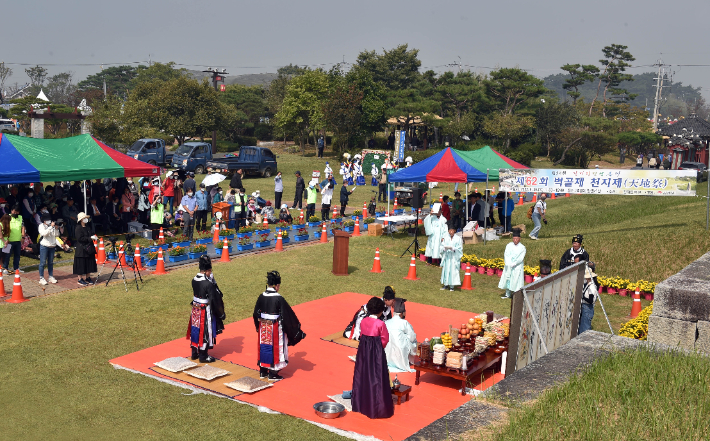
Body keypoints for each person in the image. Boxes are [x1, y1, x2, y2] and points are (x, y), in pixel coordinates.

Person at [253, 270, 306, 381]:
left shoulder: (261, 296)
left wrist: (258, 326)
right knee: (277, 349)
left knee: (264, 347)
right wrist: (296, 331)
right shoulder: (278, 298)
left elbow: (255, 313)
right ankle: (273, 373)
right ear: (277, 285)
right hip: (275, 328)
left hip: (264, 327)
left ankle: (263, 371)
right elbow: (287, 315)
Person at [351, 296, 395, 419]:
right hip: (376, 354)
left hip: (363, 352)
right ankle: (376, 408)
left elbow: (361, 334)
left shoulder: (364, 320)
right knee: (377, 378)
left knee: (363, 375)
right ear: (381, 310)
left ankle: (360, 403)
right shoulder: (380, 324)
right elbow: (384, 340)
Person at [187, 256, 225, 363]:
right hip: (204, 309)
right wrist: (221, 313)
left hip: (195, 308)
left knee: (195, 329)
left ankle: (194, 352)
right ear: (207, 271)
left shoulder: (194, 279)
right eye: (210, 271)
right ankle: (203, 355)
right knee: (205, 331)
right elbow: (215, 298)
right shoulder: (208, 283)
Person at [384, 298, 417, 373]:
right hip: (400, 351)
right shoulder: (404, 323)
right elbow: (412, 337)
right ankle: (406, 360)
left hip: (387, 351)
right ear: (402, 313)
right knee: (412, 341)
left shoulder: (387, 322)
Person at [499, 228, 526, 299]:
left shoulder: (522, 247)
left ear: (519, 239)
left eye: (517, 239)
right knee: (508, 279)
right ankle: (507, 294)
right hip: (509, 265)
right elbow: (506, 254)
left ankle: (516, 294)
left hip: (517, 266)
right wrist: (508, 263)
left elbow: (521, 257)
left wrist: (515, 263)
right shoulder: (509, 245)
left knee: (516, 280)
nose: (515, 240)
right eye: (514, 239)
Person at [73, 212, 97, 286]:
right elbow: (80, 238)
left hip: (89, 248)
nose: (86, 219)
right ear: (81, 220)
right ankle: (80, 279)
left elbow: (91, 233)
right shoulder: (78, 228)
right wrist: (90, 238)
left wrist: (94, 236)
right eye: (85, 218)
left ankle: (88, 277)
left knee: (89, 263)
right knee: (81, 264)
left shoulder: (87, 227)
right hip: (81, 249)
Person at [37, 213, 60, 285]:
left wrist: (56, 228)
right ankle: (41, 278)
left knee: (50, 262)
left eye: (49, 219)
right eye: (47, 219)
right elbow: (44, 234)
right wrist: (50, 227)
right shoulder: (41, 226)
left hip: (52, 246)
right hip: (44, 246)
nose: (49, 221)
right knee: (42, 262)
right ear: (44, 220)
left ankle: (51, 276)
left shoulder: (52, 226)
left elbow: (57, 235)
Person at [440, 227, 463, 291]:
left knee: (453, 271)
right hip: (447, 256)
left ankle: (452, 286)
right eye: (449, 230)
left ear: (454, 231)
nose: (450, 232)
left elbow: (460, 248)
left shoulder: (458, 239)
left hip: (453, 257)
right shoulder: (446, 238)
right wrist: (444, 248)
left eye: (452, 230)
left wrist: (454, 249)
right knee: (446, 270)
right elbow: (442, 246)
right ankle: (446, 284)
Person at [578, 266, 598, 334]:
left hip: (587, 307)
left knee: (585, 327)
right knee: (583, 325)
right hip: (585, 307)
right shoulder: (589, 285)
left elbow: (591, 300)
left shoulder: (592, 287)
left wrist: (582, 297)